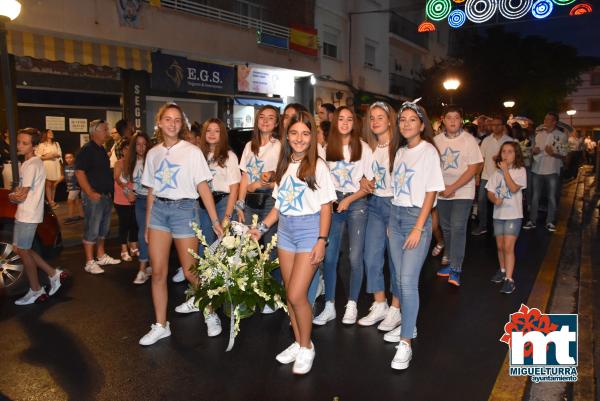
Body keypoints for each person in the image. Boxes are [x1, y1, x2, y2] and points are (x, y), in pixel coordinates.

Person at [250, 111, 336, 375]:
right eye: (295, 133)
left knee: (298, 295)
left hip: (309, 232)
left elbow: (326, 208)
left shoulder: (318, 166)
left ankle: (307, 346)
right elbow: (279, 205)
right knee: (289, 294)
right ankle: (299, 343)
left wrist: (321, 240)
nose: (300, 138)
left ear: (312, 137)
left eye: (306, 133)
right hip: (285, 231)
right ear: (288, 135)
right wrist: (262, 227)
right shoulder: (284, 165)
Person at [139, 103, 223, 346]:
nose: (172, 123)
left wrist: (215, 220)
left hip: (185, 210)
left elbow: (203, 187)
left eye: (177, 119)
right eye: (168, 119)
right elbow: (152, 192)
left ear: (182, 124)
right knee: (158, 272)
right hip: (159, 214)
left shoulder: (192, 152)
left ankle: (209, 312)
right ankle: (160, 325)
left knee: (190, 271)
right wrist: (147, 225)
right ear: (160, 122)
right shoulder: (153, 154)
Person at [387, 101, 444, 370]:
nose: (407, 123)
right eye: (403, 120)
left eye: (413, 119)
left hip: (414, 220)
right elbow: (396, 191)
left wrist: (419, 227)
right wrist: (390, 222)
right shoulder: (399, 152)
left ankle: (406, 341)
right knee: (398, 280)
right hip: (395, 217)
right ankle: (410, 324)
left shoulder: (428, 151)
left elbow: (431, 192)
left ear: (422, 125)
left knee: (408, 281)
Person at [313, 106, 373, 326]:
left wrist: (349, 200)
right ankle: (329, 305)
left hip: (356, 203)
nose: (345, 123)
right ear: (335, 122)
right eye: (341, 119)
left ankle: (352, 304)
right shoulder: (326, 148)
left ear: (354, 123)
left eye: (349, 119)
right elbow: (320, 181)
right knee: (329, 258)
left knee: (355, 256)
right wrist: (331, 203)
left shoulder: (364, 148)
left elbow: (371, 183)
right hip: (332, 204)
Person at [175, 117, 241, 314]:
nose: (212, 134)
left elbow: (234, 188)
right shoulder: (197, 155)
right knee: (202, 252)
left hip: (222, 204)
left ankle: (224, 297)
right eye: (208, 130)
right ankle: (200, 296)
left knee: (222, 252)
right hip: (200, 205)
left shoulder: (229, 156)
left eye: (216, 131)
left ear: (222, 134)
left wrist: (227, 216)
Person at [356, 102, 402, 331]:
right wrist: (363, 181)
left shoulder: (400, 147)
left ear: (390, 120)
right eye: (372, 118)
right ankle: (380, 303)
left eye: (380, 117)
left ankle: (396, 309)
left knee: (396, 260)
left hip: (396, 205)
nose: (374, 121)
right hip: (374, 204)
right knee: (371, 256)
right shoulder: (369, 148)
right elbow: (363, 176)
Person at [10, 128, 66, 305]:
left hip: (28, 214)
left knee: (23, 250)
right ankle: (53, 273)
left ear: (34, 146)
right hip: (24, 212)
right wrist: (16, 195)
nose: (20, 145)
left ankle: (36, 289)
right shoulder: (26, 163)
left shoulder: (33, 164)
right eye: (19, 142)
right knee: (20, 249)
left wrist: (11, 196)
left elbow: (21, 194)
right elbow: (21, 191)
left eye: (24, 143)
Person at [236, 105, 282, 314]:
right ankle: (250, 293)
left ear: (276, 123)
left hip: (270, 201)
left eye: (270, 118)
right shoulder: (249, 146)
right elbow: (244, 176)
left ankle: (271, 296)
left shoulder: (279, 146)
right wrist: (239, 202)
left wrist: (263, 183)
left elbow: (280, 178)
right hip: (250, 202)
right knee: (249, 248)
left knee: (270, 250)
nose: (265, 121)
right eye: (262, 117)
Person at [434, 105, 483, 287]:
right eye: (449, 117)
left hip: (463, 190)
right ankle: (450, 264)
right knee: (446, 227)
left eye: (456, 117)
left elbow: (473, 168)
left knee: (458, 226)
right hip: (442, 190)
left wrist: (453, 186)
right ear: (443, 120)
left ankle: (456, 268)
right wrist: (441, 186)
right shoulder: (436, 140)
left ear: (461, 120)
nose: (453, 121)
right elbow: (431, 166)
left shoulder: (469, 140)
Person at [75, 120, 121, 274]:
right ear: (94, 132)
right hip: (94, 197)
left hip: (105, 196)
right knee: (92, 229)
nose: (107, 132)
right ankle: (89, 262)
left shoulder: (101, 149)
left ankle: (100, 256)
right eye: (104, 129)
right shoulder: (87, 150)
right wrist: (89, 192)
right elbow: (79, 173)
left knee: (103, 229)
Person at [486, 142, 527, 294]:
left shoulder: (520, 171)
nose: (506, 154)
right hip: (498, 215)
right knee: (500, 246)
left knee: (509, 247)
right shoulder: (496, 173)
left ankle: (509, 279)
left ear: (516, 154)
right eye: (504, 151)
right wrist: (494, 199)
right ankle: (502, 270)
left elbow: (514, 188)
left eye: (510, 152)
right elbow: (489, 191)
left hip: (514, 215)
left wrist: (505, 171)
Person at [523, 112, 567, 232]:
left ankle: (550, 221)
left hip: (552, 170)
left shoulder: (561, 136)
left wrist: (554, 154)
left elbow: (564, 154)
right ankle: (532, 220)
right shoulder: (539, 135)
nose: (545, 121)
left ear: (554, 122)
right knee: (535, 196)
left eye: (548, 119)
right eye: (545, 119)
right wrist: (534, 151)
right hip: (537, 169)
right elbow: (532, 150)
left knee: (551, 196)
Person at [473, 114, 514, 236]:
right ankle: (483, 225)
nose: (495, 127)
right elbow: (482, 159)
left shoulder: (509, 141)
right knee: (481, 200)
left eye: (497, 125)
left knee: (502, 201)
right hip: (487, 176)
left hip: (503, 176)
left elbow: (515, 160)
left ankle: (503, 225)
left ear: (503, 126)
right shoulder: (486, 140)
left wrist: (500, 159)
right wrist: (478, 175)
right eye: (493, 125)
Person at [123, 131, 153, 285]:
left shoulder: (153, 160)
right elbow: (122, 180)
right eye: (138, 144)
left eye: (144, 144)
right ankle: (144, 268)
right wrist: (128, 192)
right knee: (143, 234)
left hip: (154, 202)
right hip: (140, 202)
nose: (141, 147)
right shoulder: (130, 162)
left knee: (150, 235)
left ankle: (147, 267)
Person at [113, 139, 139, 262]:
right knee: (124, 224)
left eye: (131, 149)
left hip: (135, 198)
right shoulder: (119, 163)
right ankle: (124, 249)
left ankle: (133, 246)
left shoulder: (136, 163)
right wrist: (128, 192)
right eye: (126, 149)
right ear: (122, 151)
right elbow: (118, 179)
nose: (128, 151)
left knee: (134, 223)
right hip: (121, 199)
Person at [35, 129, 63, 209]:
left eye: (52, 132)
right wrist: (48, 156)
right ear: (45, 134)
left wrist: (55, 155)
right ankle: (50, 201)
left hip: (55, 164)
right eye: (49, 132)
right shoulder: (42, 145)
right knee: (48, 184)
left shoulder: (56, 144)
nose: (51, 134)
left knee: (54, 184)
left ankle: (52, 200)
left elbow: (60, 154)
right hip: (47, 165)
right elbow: (38, 156)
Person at [62, 152, 84, 224]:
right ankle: (81, 215)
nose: (68, 159)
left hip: (75, 187)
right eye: (66, 158)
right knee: (78, 201)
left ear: (74, 158)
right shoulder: (65, 167)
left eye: (70, 157)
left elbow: (80, 176)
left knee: (70, 201)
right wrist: (56, 183)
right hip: (70, 187)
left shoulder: (76, 167)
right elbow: (64, 177)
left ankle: (70, 217)